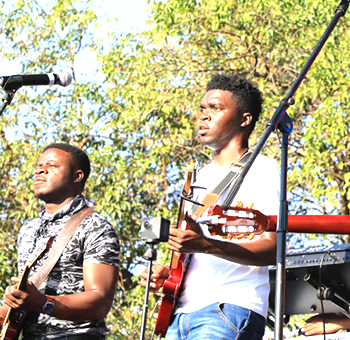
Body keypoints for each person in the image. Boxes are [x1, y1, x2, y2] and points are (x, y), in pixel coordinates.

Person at [142, 74, 280, 340]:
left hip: (228, 307)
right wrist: (169, 274)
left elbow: (273, 249)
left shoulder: (261, 170)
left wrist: (205, 245)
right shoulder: (196, 178)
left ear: (244, 119)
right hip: (179, 314)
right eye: (202, 109)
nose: (204, 116)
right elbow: (193, 248)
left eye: (215, 108)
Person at [3, 143, 120, 339]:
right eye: (39, 165)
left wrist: (42, 303)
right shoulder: (28, 228)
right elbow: (27, 294)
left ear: (77, 176)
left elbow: (100, 302)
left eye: (52, 165)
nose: (40, 170)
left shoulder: (95, 226)